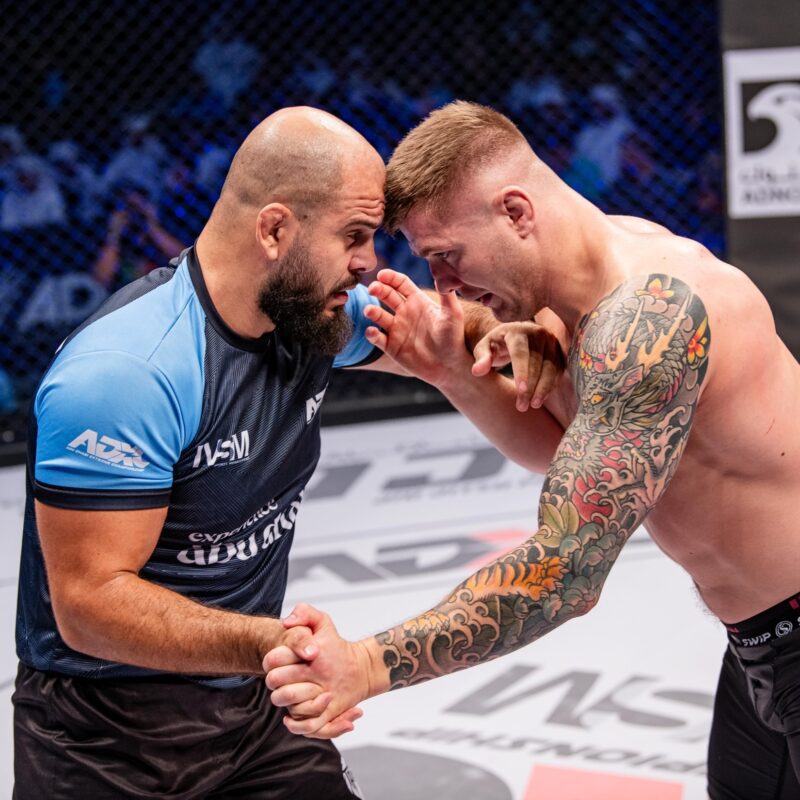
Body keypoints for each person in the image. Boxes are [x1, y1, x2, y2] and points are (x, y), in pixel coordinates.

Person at [15, 106, 565, 799]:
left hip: (253, 701)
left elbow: (442, 324)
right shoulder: (127, 373)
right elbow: (89, 605)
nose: (369, 262)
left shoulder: (309, 313)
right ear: (274, 230)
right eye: (354, 236)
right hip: (102, 733)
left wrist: (509, 329)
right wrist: (272, 644)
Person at [264, 101, 800, 800]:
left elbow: (565, 571)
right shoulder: (562, 298)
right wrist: (454, 372)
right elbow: (565, 454)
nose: (444, 285)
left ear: (516, 212)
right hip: (759, 640)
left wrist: (365, 664)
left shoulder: (651, 317)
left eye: (447, 256)